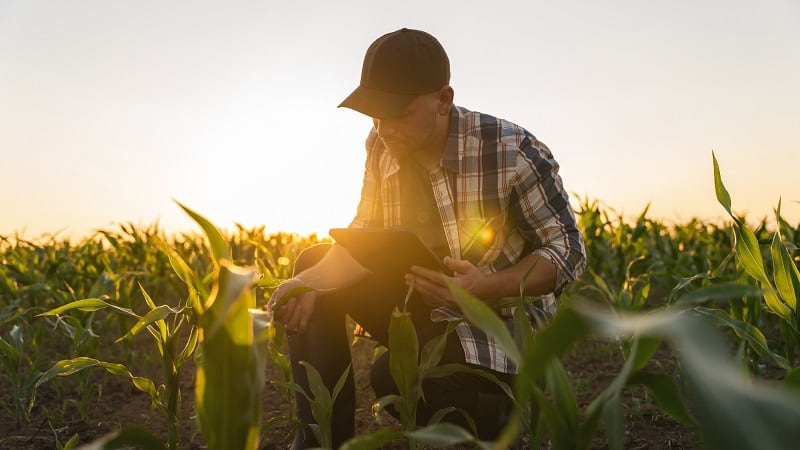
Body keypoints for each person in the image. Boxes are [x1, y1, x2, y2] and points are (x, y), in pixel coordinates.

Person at [268, 28, 586, 449]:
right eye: (374, 114)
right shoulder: (382, 144)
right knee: (313, 268)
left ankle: (501, 413)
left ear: (443, 100)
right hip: (419, 303)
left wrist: (482, 288)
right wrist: (312, 285)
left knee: (395, 377)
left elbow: (567, 250)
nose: (383, 129)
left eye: (397, 113)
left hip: (497, 323)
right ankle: (321, 441)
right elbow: (364, 233)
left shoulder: (511, 150)